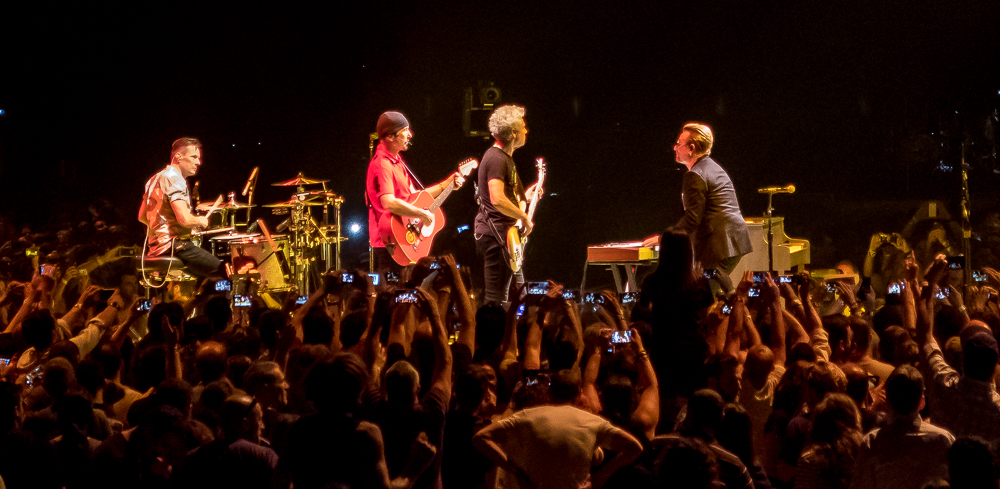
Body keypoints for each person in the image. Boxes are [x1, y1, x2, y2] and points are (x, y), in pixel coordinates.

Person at [644, 123, 751, 290]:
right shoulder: (711, 167)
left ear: (691, 148)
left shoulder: (695, 174)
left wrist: (665, 239)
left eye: (679, 143)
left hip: (719, 244)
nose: (674, 147)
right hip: (730, 241)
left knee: (702, 295)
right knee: (704, 293)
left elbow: (693, 218)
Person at [365, 111, 465, 274]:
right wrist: (422, 214)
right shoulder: (383, 165)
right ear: (391, 136)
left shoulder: (397, 161)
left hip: (403, 238)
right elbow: (389, 202)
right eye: (405, 130)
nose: (410, 135)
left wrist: (446, 185)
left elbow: (415, 198)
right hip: (391, 242)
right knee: (398, 294)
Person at [473, 104, 540, 307]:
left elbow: (505, 196)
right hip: (496, 236)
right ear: (513, 132)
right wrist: (525, 216)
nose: (526, 130)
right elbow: (497, 199)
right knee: (496, 300)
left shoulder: (505, 158)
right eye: (523, 126)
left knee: (517, 294)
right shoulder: (495, 158)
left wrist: (525, 197)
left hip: (506, 235)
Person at [138, 137, 221, 278]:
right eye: (194, 157)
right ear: (178, 156)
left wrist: (174, 229)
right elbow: (184, 219)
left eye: (198, 158)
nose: (198, 162)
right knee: (224, 272)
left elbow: (142, 217)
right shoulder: (174, 178)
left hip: (157, 248)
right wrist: (200, 221)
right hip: (175, 247)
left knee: (204, 278)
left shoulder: (154, 179)